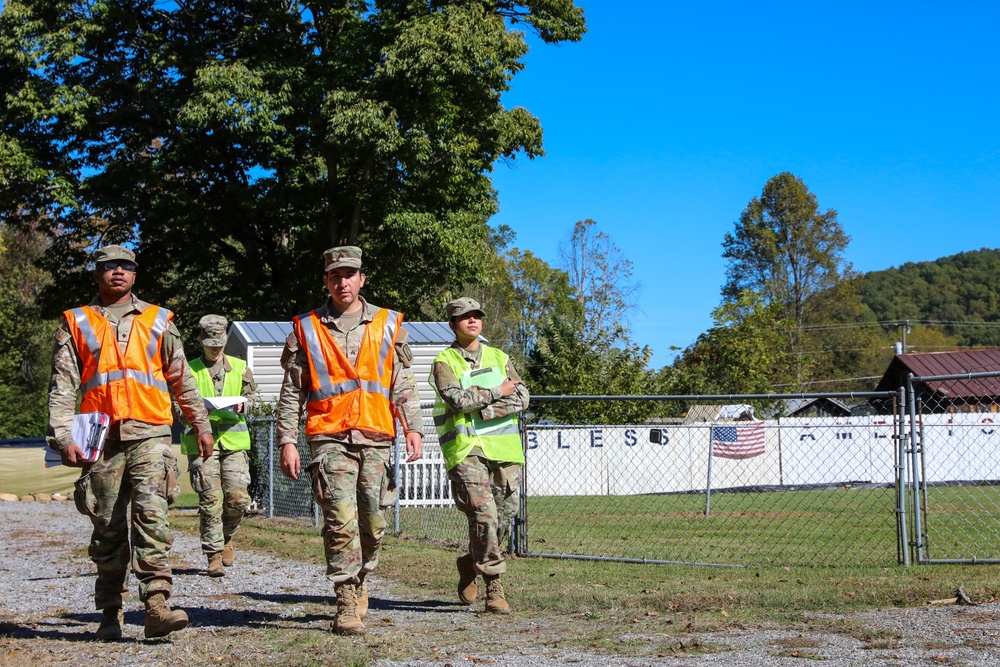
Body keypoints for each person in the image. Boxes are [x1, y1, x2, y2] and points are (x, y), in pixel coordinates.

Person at [46, 245, 214, 640]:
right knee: (106, 525)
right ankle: (110, 611)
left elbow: (181, 379)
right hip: (99, 438)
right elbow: (62, 385)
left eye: (125, 266)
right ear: (97, 274)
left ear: (135, 274)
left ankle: (156, 605)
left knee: (152, 518)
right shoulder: (76, 322)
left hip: (151, 433)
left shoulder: (159, 320)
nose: (117, 272)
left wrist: (200, 423)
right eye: (108, 267)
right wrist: (62, 435)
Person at [276, 246, 424, 635]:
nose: (342, 282)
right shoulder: (307, 328)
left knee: (373, 522)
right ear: (326, 280)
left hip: (376, 435)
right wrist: (286, 441)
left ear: (362, 278)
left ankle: (362, 580)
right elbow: (292, 392)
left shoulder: (388, 323)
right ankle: (344, 600)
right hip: (328, 436)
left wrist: (413, 428)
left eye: (350, 274)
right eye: (334, 275)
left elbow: (400, 383)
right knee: (340, 519)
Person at [429, 297, 529, 614]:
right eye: (464, 317)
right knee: (483, 516)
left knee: (503, 518)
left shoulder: (500, 357)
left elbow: (524, 395)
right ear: (452, 324)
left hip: (504, 450)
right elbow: (457, 400)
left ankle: (471, 563)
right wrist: (499, 391)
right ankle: (494, 589)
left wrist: (484, 410)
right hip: (467, 451)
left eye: (477, 316)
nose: (472, 321)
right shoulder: (444, 362)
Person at [176, 315, 258, 578]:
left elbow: (253, 398)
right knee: (210, 500)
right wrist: (197, 414)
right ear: (200, 341)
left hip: (234, 441)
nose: (215, 347)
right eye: (210, 342)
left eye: (220, 342)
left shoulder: (240, 367)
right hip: (201, 442)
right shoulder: (188, 370)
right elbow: (177, 408)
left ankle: (227, 538)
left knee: (237, 498)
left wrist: (245, 405)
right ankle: (213, 555)